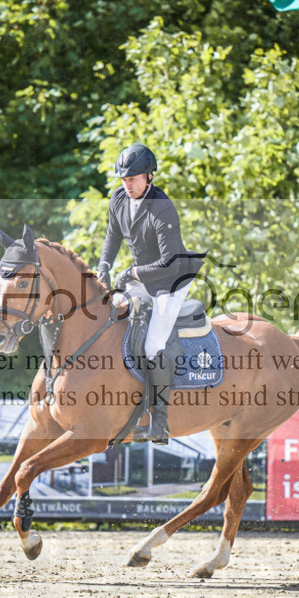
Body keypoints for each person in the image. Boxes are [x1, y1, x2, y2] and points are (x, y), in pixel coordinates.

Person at [96, 144, 203, 445]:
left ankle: (160, 422)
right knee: (112, 316)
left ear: (149, 176)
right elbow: (113, 235)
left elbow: (169, 262)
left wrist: (131, 274)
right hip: (143, 275)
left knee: (154, 343)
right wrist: (104, 265)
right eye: (123, 179)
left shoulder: (162, 207)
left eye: (132, 179)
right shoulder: (118, 198)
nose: (126, 184)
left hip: (172, 280)